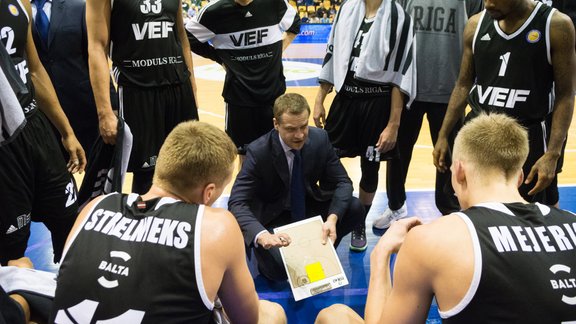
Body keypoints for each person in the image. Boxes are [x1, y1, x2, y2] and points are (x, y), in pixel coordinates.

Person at [316, 113, 576, 323]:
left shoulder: (434, 240)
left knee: (333, 316)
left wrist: (381, 254)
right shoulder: (571, 220)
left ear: (459, 171)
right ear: (519, 176)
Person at [51, 121, 287, 324]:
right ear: (209, 192)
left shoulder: (97, 205)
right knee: (271, 313)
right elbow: (245, 319)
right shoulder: (217, 226)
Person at [433, 0, 575, 206]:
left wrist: (553, 154)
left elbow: (566, 95)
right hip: (478, 134)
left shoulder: (555, 25)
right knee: (472, 209)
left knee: (527, 215)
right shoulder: (475, 24)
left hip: (527, 136)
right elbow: (463, 84)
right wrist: (444, 135)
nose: (488, 3)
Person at [228, 93, 366, 281]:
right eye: (291, 129)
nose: (300, 135)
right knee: (280, 271)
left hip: (306, 207)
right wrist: (262, 235)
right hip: (273, 216)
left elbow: (343, 182)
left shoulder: (320, 138)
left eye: (303, 126)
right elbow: (237, 201)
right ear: (276, 124)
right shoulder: (258, 151)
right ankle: (262, 255)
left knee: (354, 207)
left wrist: (332, 219)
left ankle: (323, 248)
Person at [372, 0, 483, 229]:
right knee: (398, 152)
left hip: (450, 89)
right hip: (408, 87)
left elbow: (478, 31)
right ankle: (395, 205)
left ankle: (449, 209)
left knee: (449, 157)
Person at [314, 0, 416, 247]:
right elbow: (332, 51)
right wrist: (319, 99)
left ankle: (358, 220)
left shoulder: (399, 16)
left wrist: (393, 124)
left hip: (377, 103)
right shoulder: (347, 8)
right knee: (326, 162)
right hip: (345, 98)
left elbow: (400, 76)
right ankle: (330, 217)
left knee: (370, 169)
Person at [0, 0, 86, 265]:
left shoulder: (20, 2)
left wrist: (66, 131)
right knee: (13, 253)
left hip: (35, 126)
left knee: (70, 222)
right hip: (4, 146)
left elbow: (35, 70)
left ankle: (72, 298)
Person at [87, 0, 199, 194]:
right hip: (138, 92)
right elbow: (97, 47)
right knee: (147, 175)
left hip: (178, 88)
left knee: (189, 166)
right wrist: (104, 112)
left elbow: (181, 36)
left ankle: (185, 221)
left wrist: (192, 88)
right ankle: (147, 222)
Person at [185, 0, 300, 159]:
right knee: (245, 159)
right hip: (239, 99)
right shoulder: (214, 11)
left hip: (274, 95)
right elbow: (187, 37)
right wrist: (221, 58)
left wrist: (279, 49)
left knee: (278, 156)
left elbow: (295, 23)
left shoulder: (275, 3)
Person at [30, 0, 117, 158]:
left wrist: (112, 107)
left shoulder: (78, 7)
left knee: (100, 176)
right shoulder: (17, 13)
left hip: (86, 111)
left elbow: (97, 58)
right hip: (45, 117)